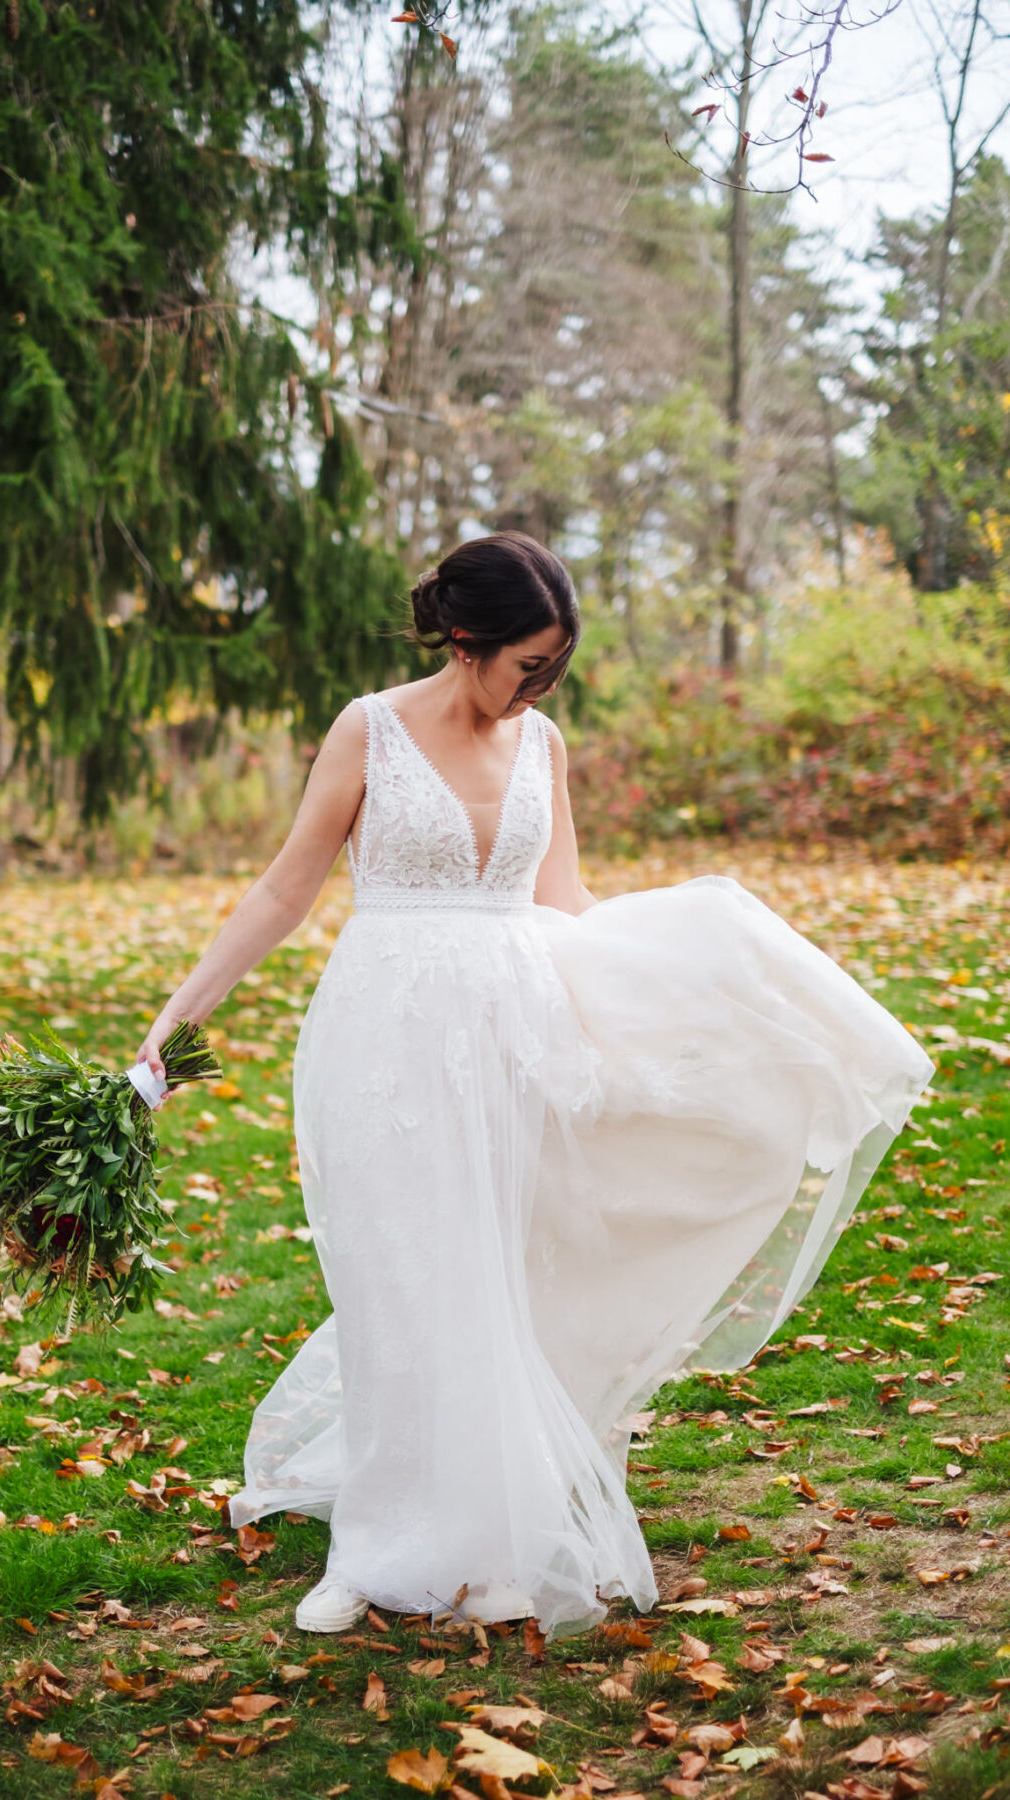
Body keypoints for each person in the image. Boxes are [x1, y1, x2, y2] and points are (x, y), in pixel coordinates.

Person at [137, 530, 933, 1639]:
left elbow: (565, 901)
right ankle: (369, 1548)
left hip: (520, 1037)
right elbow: (284, 890)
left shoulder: (543, 745)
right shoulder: (369, 729)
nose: (539, 687)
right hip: (389, 1041)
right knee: (398, 1284)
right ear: (465, 638)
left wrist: (680, 990)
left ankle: (484, 1544)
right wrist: (174, 1026)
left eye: (553, 668)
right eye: (528, 664)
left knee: (498, 1281)